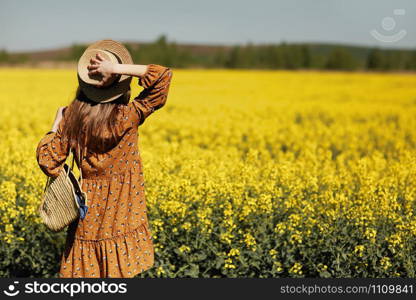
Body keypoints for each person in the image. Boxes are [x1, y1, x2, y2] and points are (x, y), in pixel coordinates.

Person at [36, 40, 173, 278]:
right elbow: (163, 77)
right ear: (120, 86)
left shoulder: (72, 120)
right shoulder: (127, 116)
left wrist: (55, 125)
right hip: (123, 212)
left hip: (87, 215)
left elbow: (48, 161)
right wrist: (116, 70)